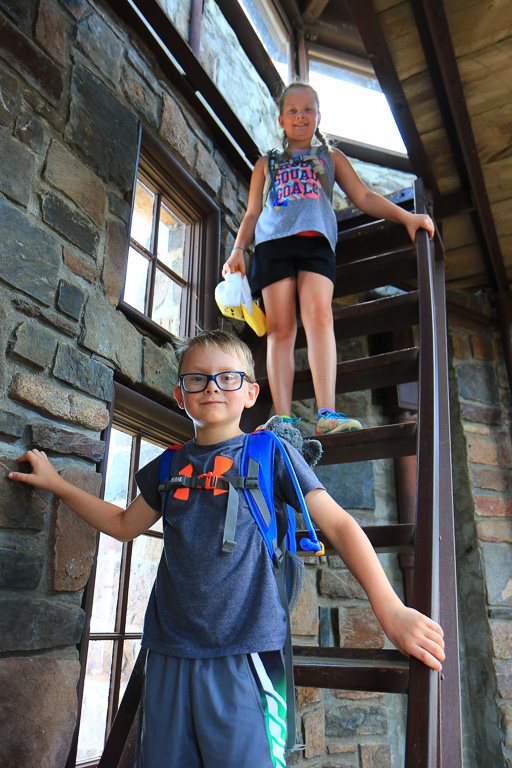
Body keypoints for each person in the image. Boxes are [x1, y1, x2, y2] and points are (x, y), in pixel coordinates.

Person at [8, 330, 444, 768]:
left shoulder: (270, 453)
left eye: (228, 378)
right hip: (167, 653)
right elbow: (123, 525)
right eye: (197, 379)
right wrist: (56, 483)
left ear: (251, 393)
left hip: (248, 656)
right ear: (180, 394)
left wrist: (391, 610)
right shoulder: (167, 466)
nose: (212, 386)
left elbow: (340, 525)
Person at [223, 81, 434, 436]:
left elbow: (363, 197)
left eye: (308, 110)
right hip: (273, 245)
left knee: (320, 316)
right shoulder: (266, 164)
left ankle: (327, 414)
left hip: (316, 242)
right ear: (280, 120)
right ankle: (283, 419)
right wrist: (238, 250)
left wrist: (407, 217)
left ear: (318, 117)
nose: (300, 116)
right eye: (293, 110)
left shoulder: (330, 159)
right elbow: (252, 212)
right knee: (281, 329)